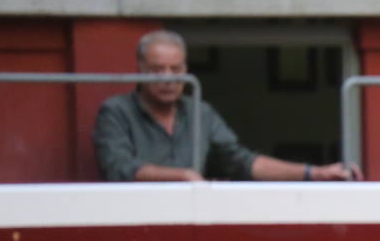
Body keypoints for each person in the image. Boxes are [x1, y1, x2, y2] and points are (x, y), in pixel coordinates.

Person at [94, 30, 360, 183]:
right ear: (139, 70)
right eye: (157, 69)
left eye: (175, 69)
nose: (168, 78)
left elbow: (240, 162)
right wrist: (183, 176)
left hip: (191, 222)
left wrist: (316, 172)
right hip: (136, 222)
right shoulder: (116, 112)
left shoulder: (201, 112)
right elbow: (119, 168)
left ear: (186, 69)